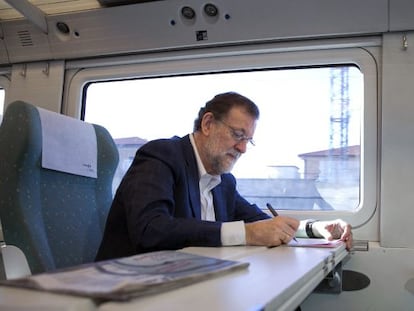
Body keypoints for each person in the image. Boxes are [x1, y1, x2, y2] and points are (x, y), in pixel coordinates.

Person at [95, 92, 352, 261]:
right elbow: (151, 229)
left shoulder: (224, 181)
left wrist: (317, 228)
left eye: (247, 141)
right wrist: (247, 234)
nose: (242, 148)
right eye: (237, 135)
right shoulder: (161, 156)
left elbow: (262, 222)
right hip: (132, 289)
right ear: (207, 124)